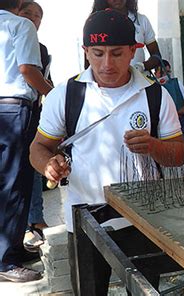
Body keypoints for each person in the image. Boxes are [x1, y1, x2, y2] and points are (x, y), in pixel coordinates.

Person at [29, 9, 184, 294]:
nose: (106, 64)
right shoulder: (66, 95)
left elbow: (178, 155)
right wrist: (48, 165)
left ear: (133, 51)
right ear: (85, 51)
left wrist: (154, 146)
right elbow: (38, 147)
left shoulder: (154, 94)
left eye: (116, 53)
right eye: (97, 53)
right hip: (84, 217)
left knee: (143, 290)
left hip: (143, 218)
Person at [0, 0, 52, 282]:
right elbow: (28, 71)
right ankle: (5, 261)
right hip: (13, 109)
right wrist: (54, 94)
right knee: (14, 183)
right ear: (19, 5)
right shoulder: (21, 26)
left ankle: (12, 248)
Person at [19, 0, 50, 252]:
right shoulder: (10, 37)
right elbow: (27, 71)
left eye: (37, 15)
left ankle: (35, 220)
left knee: (33, 165)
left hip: (32, 112)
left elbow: (44, 79)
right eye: (27, 13)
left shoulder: (42, 48)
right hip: (11, 111)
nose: (32, 18)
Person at [90, 0, 161, 76]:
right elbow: (88, 61)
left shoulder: (141, 20)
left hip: (140, 80)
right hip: (107, 82)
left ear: (132, 50)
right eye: (99, 54)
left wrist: (142, 66)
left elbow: (156, 55)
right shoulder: (94, 23)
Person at [156, 59, 184, 143]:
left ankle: (181, 143)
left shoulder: (177, 83)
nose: (166, 75)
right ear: (155, 73)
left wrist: (175, 114)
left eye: (168, 72)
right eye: (163, 72)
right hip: (160, 122)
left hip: (177, 119)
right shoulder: (152, 86)